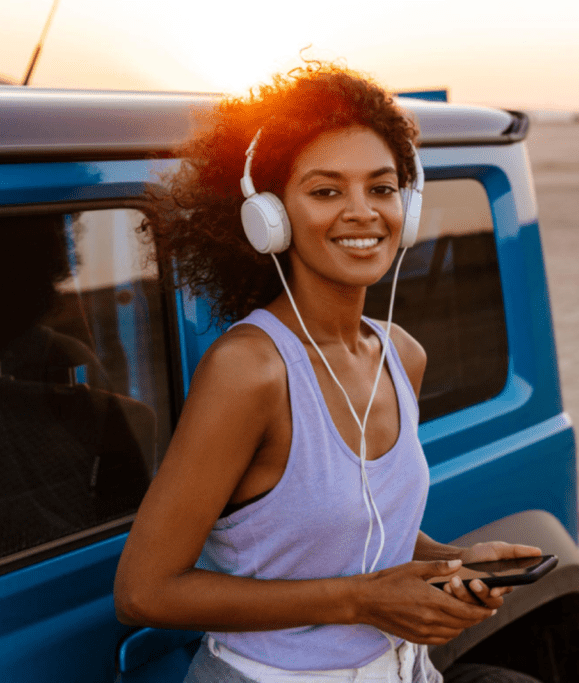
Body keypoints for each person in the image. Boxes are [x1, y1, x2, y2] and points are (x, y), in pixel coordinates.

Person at [113, 62, 542, 682]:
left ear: (409, 204)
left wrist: (453, 563)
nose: (363, 212)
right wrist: (363, 599)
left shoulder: (401, 354)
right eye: (325, 191)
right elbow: (145, 592)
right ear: (269, 216)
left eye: (383, 187)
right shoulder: (250, 371)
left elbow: (358, 524)